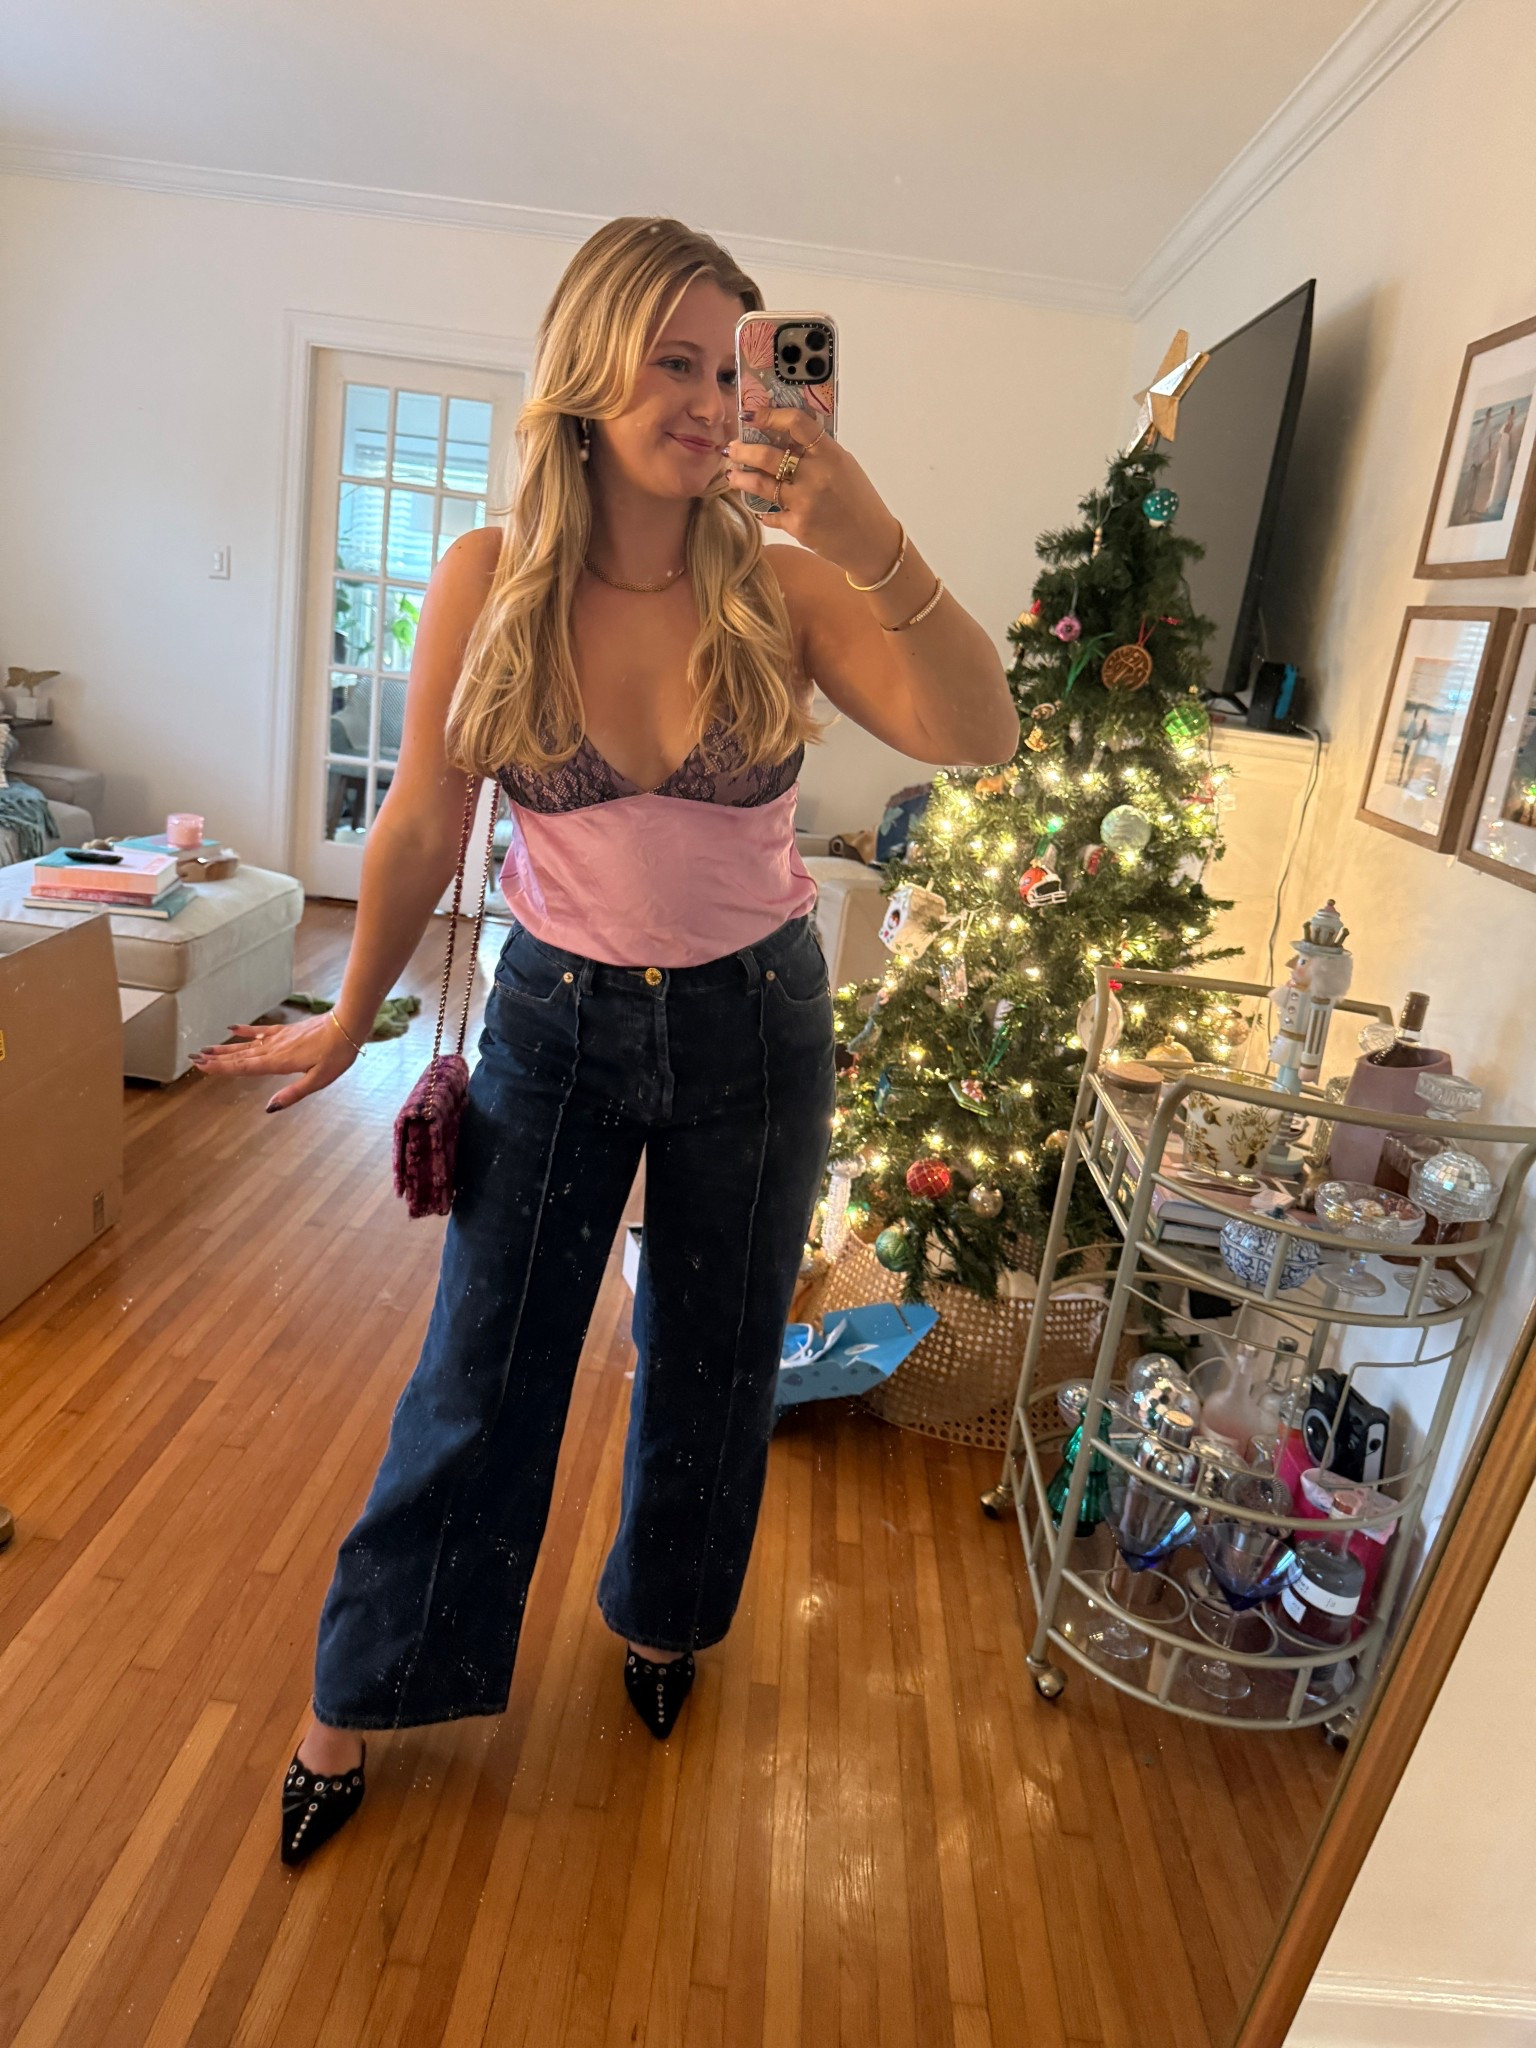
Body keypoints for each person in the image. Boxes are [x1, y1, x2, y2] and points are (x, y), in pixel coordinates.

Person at [192, 216, 1017, 1866]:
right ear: (588, 369)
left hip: (757, 1027)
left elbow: (979, 732)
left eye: (736, 370)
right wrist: (346, 1017)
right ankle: (361, 1689)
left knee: (716, 1359)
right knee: (482, 1366)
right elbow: (422, 818)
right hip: (555, 1022)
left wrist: (873, 536)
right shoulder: (489, 576)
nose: (712, 402)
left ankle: (665, 1621)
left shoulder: (787, 585)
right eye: (677, 362)